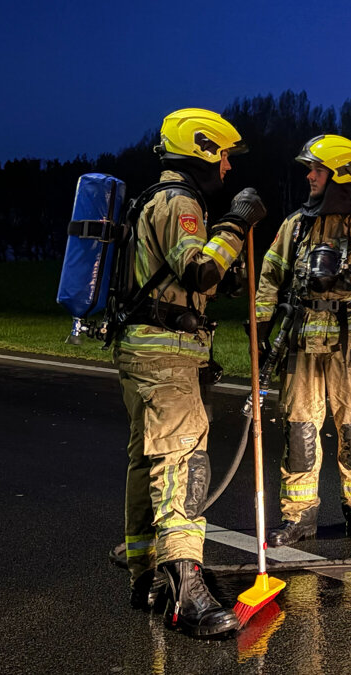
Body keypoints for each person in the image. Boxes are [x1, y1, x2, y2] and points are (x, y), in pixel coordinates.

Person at [116, 108, 266, 638]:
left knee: (147, 461)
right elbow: (197, 268)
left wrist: (224, 276)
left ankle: (146, 575)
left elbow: (189, 280)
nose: (226, 168)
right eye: (223, 155)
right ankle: (187, 589)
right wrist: (237, 221)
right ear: (200, 150)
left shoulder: (151, 200)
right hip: (165, 357)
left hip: (141, 351)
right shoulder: (180, 202)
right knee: (183, 458)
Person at [255, 134, 351, 547]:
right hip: (302, 344)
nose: (309, 176)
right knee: (300, 432)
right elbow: (269, 278)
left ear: (340, 173)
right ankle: (299, 517)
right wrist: (262, 328)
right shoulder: (296, 225)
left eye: (316, 169)